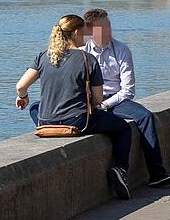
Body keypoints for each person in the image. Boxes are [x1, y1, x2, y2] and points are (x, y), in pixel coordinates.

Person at [16, 15, 132, 200]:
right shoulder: (87, 59)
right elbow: (98, 98)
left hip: (46, 120)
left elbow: (20, 86)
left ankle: (51, 125)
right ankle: (121, 169)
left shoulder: (43, 56)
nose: (88, 36)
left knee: (35, 107)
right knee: (124, 128)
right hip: (77, 121)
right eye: (85, 32)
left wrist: (23, 97)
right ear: (77, 33)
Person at [81, 9, 170, 188]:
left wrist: (106, 104)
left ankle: (157, 172)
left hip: (116, 100)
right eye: (103, 27)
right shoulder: (82, 52)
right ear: (91, 30)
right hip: (91, 100)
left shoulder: (122, 50)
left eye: (109, 25)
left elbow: (128, 90)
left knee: (145, 116)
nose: (108, 30)